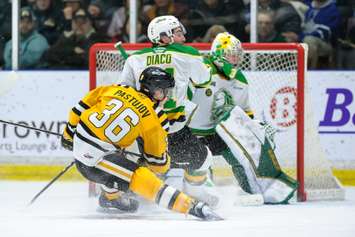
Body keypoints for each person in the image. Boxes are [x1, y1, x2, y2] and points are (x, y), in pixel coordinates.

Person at [61, 66, 221, 221]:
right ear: (155, 91)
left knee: (121, 160)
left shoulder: (116, 88)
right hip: (93, 161)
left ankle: (111, 196)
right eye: (164, 92)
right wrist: (156, 163)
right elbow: (158, 164)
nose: (166, 97)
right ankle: (191, 207)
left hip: (81, 141)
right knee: (139, 174)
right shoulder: (154, 116)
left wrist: (68, 136)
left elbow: (77, 110)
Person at [119, 15, 220, 207]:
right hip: (173, 129)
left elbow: (124, 91)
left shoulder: (134, 58)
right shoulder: (188, 53)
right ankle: (195, 192)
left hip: (143, 129)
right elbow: (204, 80)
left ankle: (126, 194)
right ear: (164, 37)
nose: (183, 36)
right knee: (203, 158)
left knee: (145, 165)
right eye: (178, 32)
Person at [188, 32, 298, 204]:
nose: (235, 60)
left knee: (242, 159)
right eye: (231, 55)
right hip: (192, 133)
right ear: (218, 54)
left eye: (237, 56)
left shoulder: (240, 80)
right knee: (201, 164)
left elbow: (244, 114)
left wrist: (257, 130)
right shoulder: (200, 69)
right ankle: (198, 193)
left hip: (219, 133)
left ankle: (254, 189)